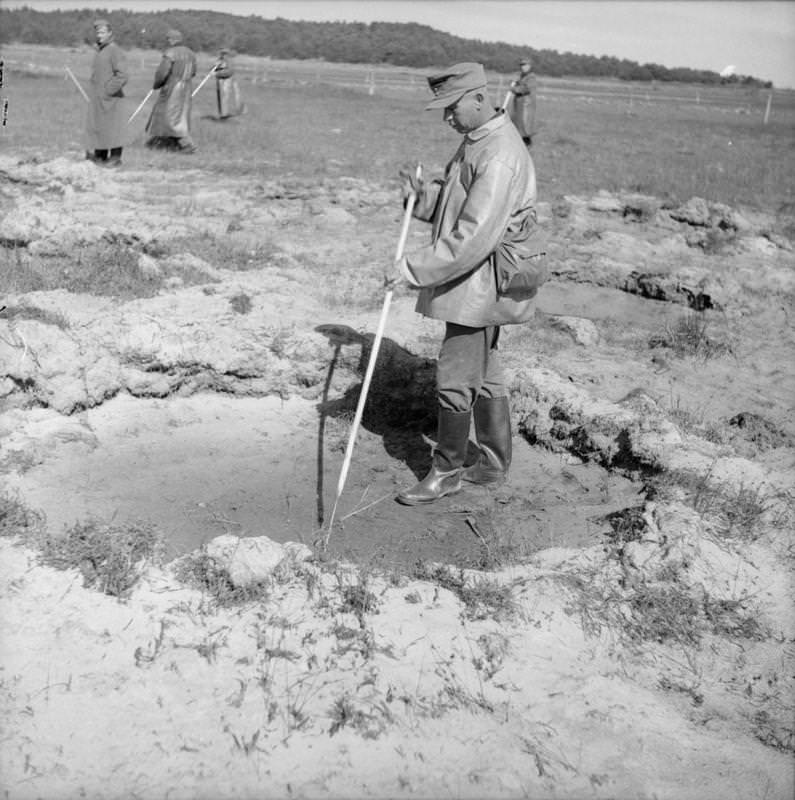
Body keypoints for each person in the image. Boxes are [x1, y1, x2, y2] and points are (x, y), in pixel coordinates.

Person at [392, 62, 541, 506]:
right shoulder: (477, 140)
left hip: (480, 283)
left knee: (455, 377)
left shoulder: (498, 154)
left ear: (479, 98)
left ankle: (447, 472)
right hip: (476, 279)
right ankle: (493, 465)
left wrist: (408, 269)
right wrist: (423, 199)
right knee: (486, 374)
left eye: (452, 107)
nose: (447, 118)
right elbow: (459, 209)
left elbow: (473, 237)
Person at [85, 19, 128, 168]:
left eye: (102, 32)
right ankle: (100, 156)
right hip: (99, 98)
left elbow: (122, 75)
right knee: (100, 126)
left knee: (114, 128)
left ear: (110, 33)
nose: (99, 35)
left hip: (111, 98)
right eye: (97, 32)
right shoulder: (101, 50)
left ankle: (115, 158)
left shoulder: (114, 50)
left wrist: (107, 91)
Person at [145, 29, 197, 153]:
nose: (167, 41)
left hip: (172, 87)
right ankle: (168, 143)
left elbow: (162, 72)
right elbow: (194, 72)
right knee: (180, 117)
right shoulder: (191, 53)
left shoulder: (170, 53)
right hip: (187, 88)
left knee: (168, 117)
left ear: (172, 39)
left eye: (168, 39)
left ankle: (186, 144)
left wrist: (157, 84)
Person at [508, 56, 537, 148]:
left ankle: (527, 145)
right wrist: (515, 82)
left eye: (524, 65)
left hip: (526, 106)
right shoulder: (522, 76)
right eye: (521, 65)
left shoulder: (531, 77)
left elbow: (526, 88)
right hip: (519, 105)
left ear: (529, 66)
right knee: (517, 125)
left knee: (524, 126)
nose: (522, 67)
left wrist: (515, 89)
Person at [214, 48, 245, 119]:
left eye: (224, 54)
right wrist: (216, 67)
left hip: (228, 81)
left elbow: (229, 71)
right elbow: (214, 68)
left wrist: (218, 73)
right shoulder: (220, 61)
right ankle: (223, 113)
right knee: (223, 98)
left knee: (227, 97)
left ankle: (226, 114)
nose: (222, 55)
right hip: (222, 81)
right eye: (222, 54)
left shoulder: (229, 61)